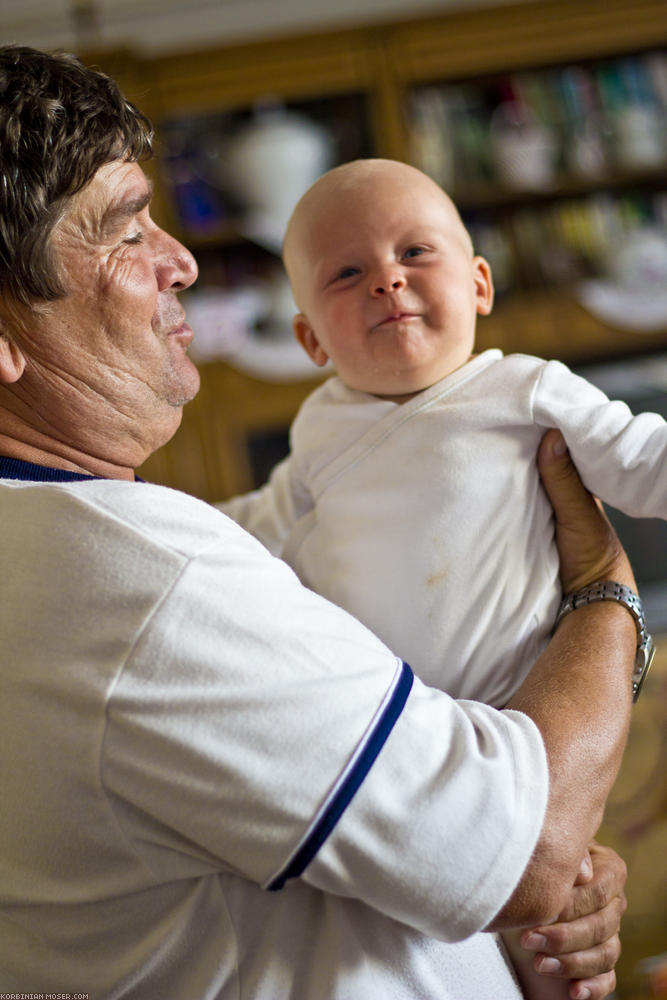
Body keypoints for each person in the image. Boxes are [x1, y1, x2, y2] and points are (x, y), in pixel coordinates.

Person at [0, 47, 638, 1000]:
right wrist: (605, 594)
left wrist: (500, 949)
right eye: (125, 233)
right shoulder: (134, 579)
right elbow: (528, 848)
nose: (180, 261)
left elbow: (315, 870)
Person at [221, 158, 665, 709]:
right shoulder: (320, 422)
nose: (387, 279)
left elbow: (644, 459)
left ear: (479, 285)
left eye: (414, 252)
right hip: (376, 716)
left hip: (518, 706)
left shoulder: (525, 389)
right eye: (347, 273)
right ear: (311, 339)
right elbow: (265, 521)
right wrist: (174, 520)